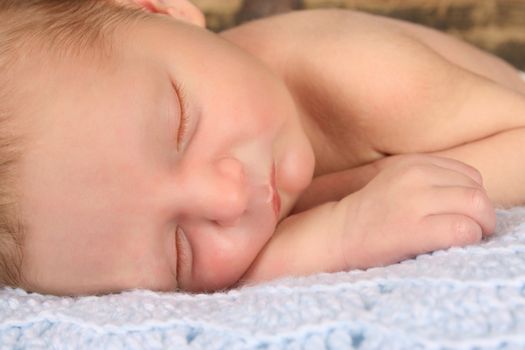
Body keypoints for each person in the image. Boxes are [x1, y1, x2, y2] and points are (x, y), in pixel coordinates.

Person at [0, 0, 523, 296]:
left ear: (160, 9)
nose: (227, 199)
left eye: (181, 124)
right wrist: (308, 248)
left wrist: (336, 217)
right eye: (179, 251)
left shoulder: (364, 75)